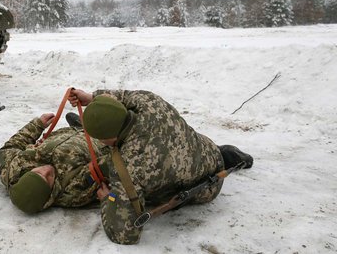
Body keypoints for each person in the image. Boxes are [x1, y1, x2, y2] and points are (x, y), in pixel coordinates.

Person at [68, 88, 253, 245]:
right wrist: (93, 99)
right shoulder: (147, 100)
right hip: (208, 152)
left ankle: (93, 128)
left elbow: (125, 234)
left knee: (110, 160)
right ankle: (226, 154)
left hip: (206, 187)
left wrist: (107, 198)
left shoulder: (129, 168)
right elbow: (121, 96)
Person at [0, 111, 111, 214]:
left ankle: (81, 127)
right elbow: (110, 165)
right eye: (48, 178)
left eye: (38, 172)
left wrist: (37, 124)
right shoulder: (73, 189)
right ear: (50, 193)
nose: (46, 169)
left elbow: (11, 147)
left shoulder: (12, 170)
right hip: (102, 140)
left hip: (67, 133)